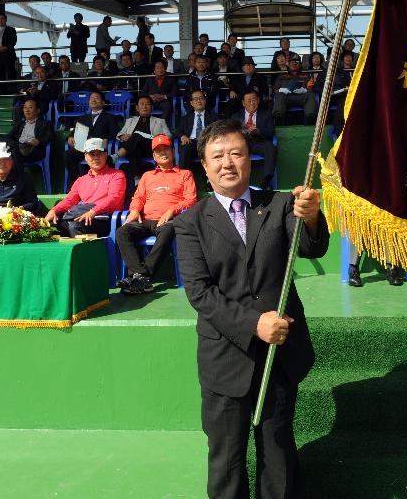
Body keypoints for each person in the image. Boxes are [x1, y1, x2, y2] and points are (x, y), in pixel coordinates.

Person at [173, 119, 329, 499]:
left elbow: (310, 248)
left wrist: (309, 216)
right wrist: (254, 323)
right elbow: (200, 293)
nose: (228, 162)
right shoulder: (191, 222)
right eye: (218, 156)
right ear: (205, 168)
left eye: (236, 153)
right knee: (226, 458)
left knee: (277, 451)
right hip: (225, 357)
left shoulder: (279, 205)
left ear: (250, 159)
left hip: (279, 354)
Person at [117, 135, 196, 294]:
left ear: (173, 152)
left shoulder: (185, 174)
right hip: (146, 219)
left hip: (169, 220)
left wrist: (171, 211)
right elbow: (138, 197)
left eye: (166, 149)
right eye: (158, 151)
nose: (163, 152)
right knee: (122, 232)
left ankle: (142, 277)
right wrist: (134, 210)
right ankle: (140, 276)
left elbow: (191, 200)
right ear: (154, 156)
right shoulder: (147, 176)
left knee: (167, 230)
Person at [46, 138, 126, 238]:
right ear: (85, 157)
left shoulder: (117, 175)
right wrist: (54, 210)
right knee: (52, 227)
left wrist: (94, 211)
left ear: (105, 155)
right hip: (84, 216)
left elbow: (114, 199)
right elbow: (70, 200)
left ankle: (87, 254)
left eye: (99, 154)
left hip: (106, 219)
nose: (96, 158)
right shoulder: (81, 180)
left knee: (76, 226)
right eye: (92, 154)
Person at [64, 92, 122, 188]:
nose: (93, 100)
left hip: (99, 148)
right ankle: (78, 183)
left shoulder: (110, 117)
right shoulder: (82, 118)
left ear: (103, 103)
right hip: (84, 148)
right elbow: (74, 132)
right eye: (91, 98)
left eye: (97, 98)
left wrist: (106, 139)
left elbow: (115, 134)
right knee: (68, 155)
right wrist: (70, 137)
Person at [115, 96, 172, 182]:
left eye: (147, 104)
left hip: (149, 147)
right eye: (142, 104)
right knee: (135, 148)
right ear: (137, 108)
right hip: (132, 148)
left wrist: (159, 137)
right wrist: (123, 136)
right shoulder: (130, 121)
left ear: (152, 107)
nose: (144, 106)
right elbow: (119, 134)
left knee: (136, 135)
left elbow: (169, 135)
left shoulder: (160, 121)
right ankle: (137, 180)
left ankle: (116, 156)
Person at [231, 90, 278, 190]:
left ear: (258, 100)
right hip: (242, 144)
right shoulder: (236, 116)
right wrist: (246, 132)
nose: (252, 103)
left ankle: (266, 181)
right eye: (248, 101)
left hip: (259, 143)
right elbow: (232, 134)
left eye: (254, 100)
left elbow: (271, 131)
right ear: (243, 103)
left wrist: (258, 131)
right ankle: (235, 182)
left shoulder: (266, 114)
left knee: (271, 148)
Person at [177, 90, 216, 170]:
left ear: (205, 101)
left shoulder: (213, 117)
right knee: (185, 149)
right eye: (195, 99)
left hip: (206, 142)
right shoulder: (186, 118)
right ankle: (183, 177)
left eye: (201, 98)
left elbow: (217, 131)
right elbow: (178, 131)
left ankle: (211, 179)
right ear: (191, 103)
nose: (198, 101)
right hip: (191, 141)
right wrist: (183, 136)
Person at [272, 58, 317, 124]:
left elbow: (312, 88)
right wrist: (281, 90)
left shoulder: (306, 75)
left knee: (310, 94)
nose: (294, 64)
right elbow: (275, 90)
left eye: (297, 63)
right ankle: (278, 120)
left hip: (301, 97)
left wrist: (304, 90)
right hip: (287, 97)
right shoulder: (282, 75)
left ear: (300, 65)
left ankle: (309, 119)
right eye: (292, 63)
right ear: (288, 65)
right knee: (279, 95)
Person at [8, 98, 54, 164]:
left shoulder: (45, 123)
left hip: (33, 150)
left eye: (30, 107)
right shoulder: (20, 123)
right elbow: (9, 135)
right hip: (18, 146)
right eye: (25, 107)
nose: (27, 110)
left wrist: (39, 141)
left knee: (14, 153)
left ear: (37, 110)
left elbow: (51, 136)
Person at [142, 60, 177, 125]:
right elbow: (143, 92)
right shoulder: (149, 80)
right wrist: (150, 97)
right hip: (151, 102)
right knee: (142, 106)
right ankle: (144, 125)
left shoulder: (171, 80)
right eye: (157, 67)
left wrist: (163, 96)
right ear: (154, 70)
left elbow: (175, 93)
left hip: (164, 102)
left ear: (165, 69)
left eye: (162, 67)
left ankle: (162, 125)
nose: (160, 69)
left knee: (168, 106)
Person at [0, 12, 18, 82]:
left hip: (9, 56)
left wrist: (6, 47)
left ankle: (12, 92)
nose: (0, 20)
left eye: (2, 19)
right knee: (0, 76)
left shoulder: (11, 30)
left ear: (6, 20)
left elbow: (13, 41)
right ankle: (2, 92)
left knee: (11, 75)